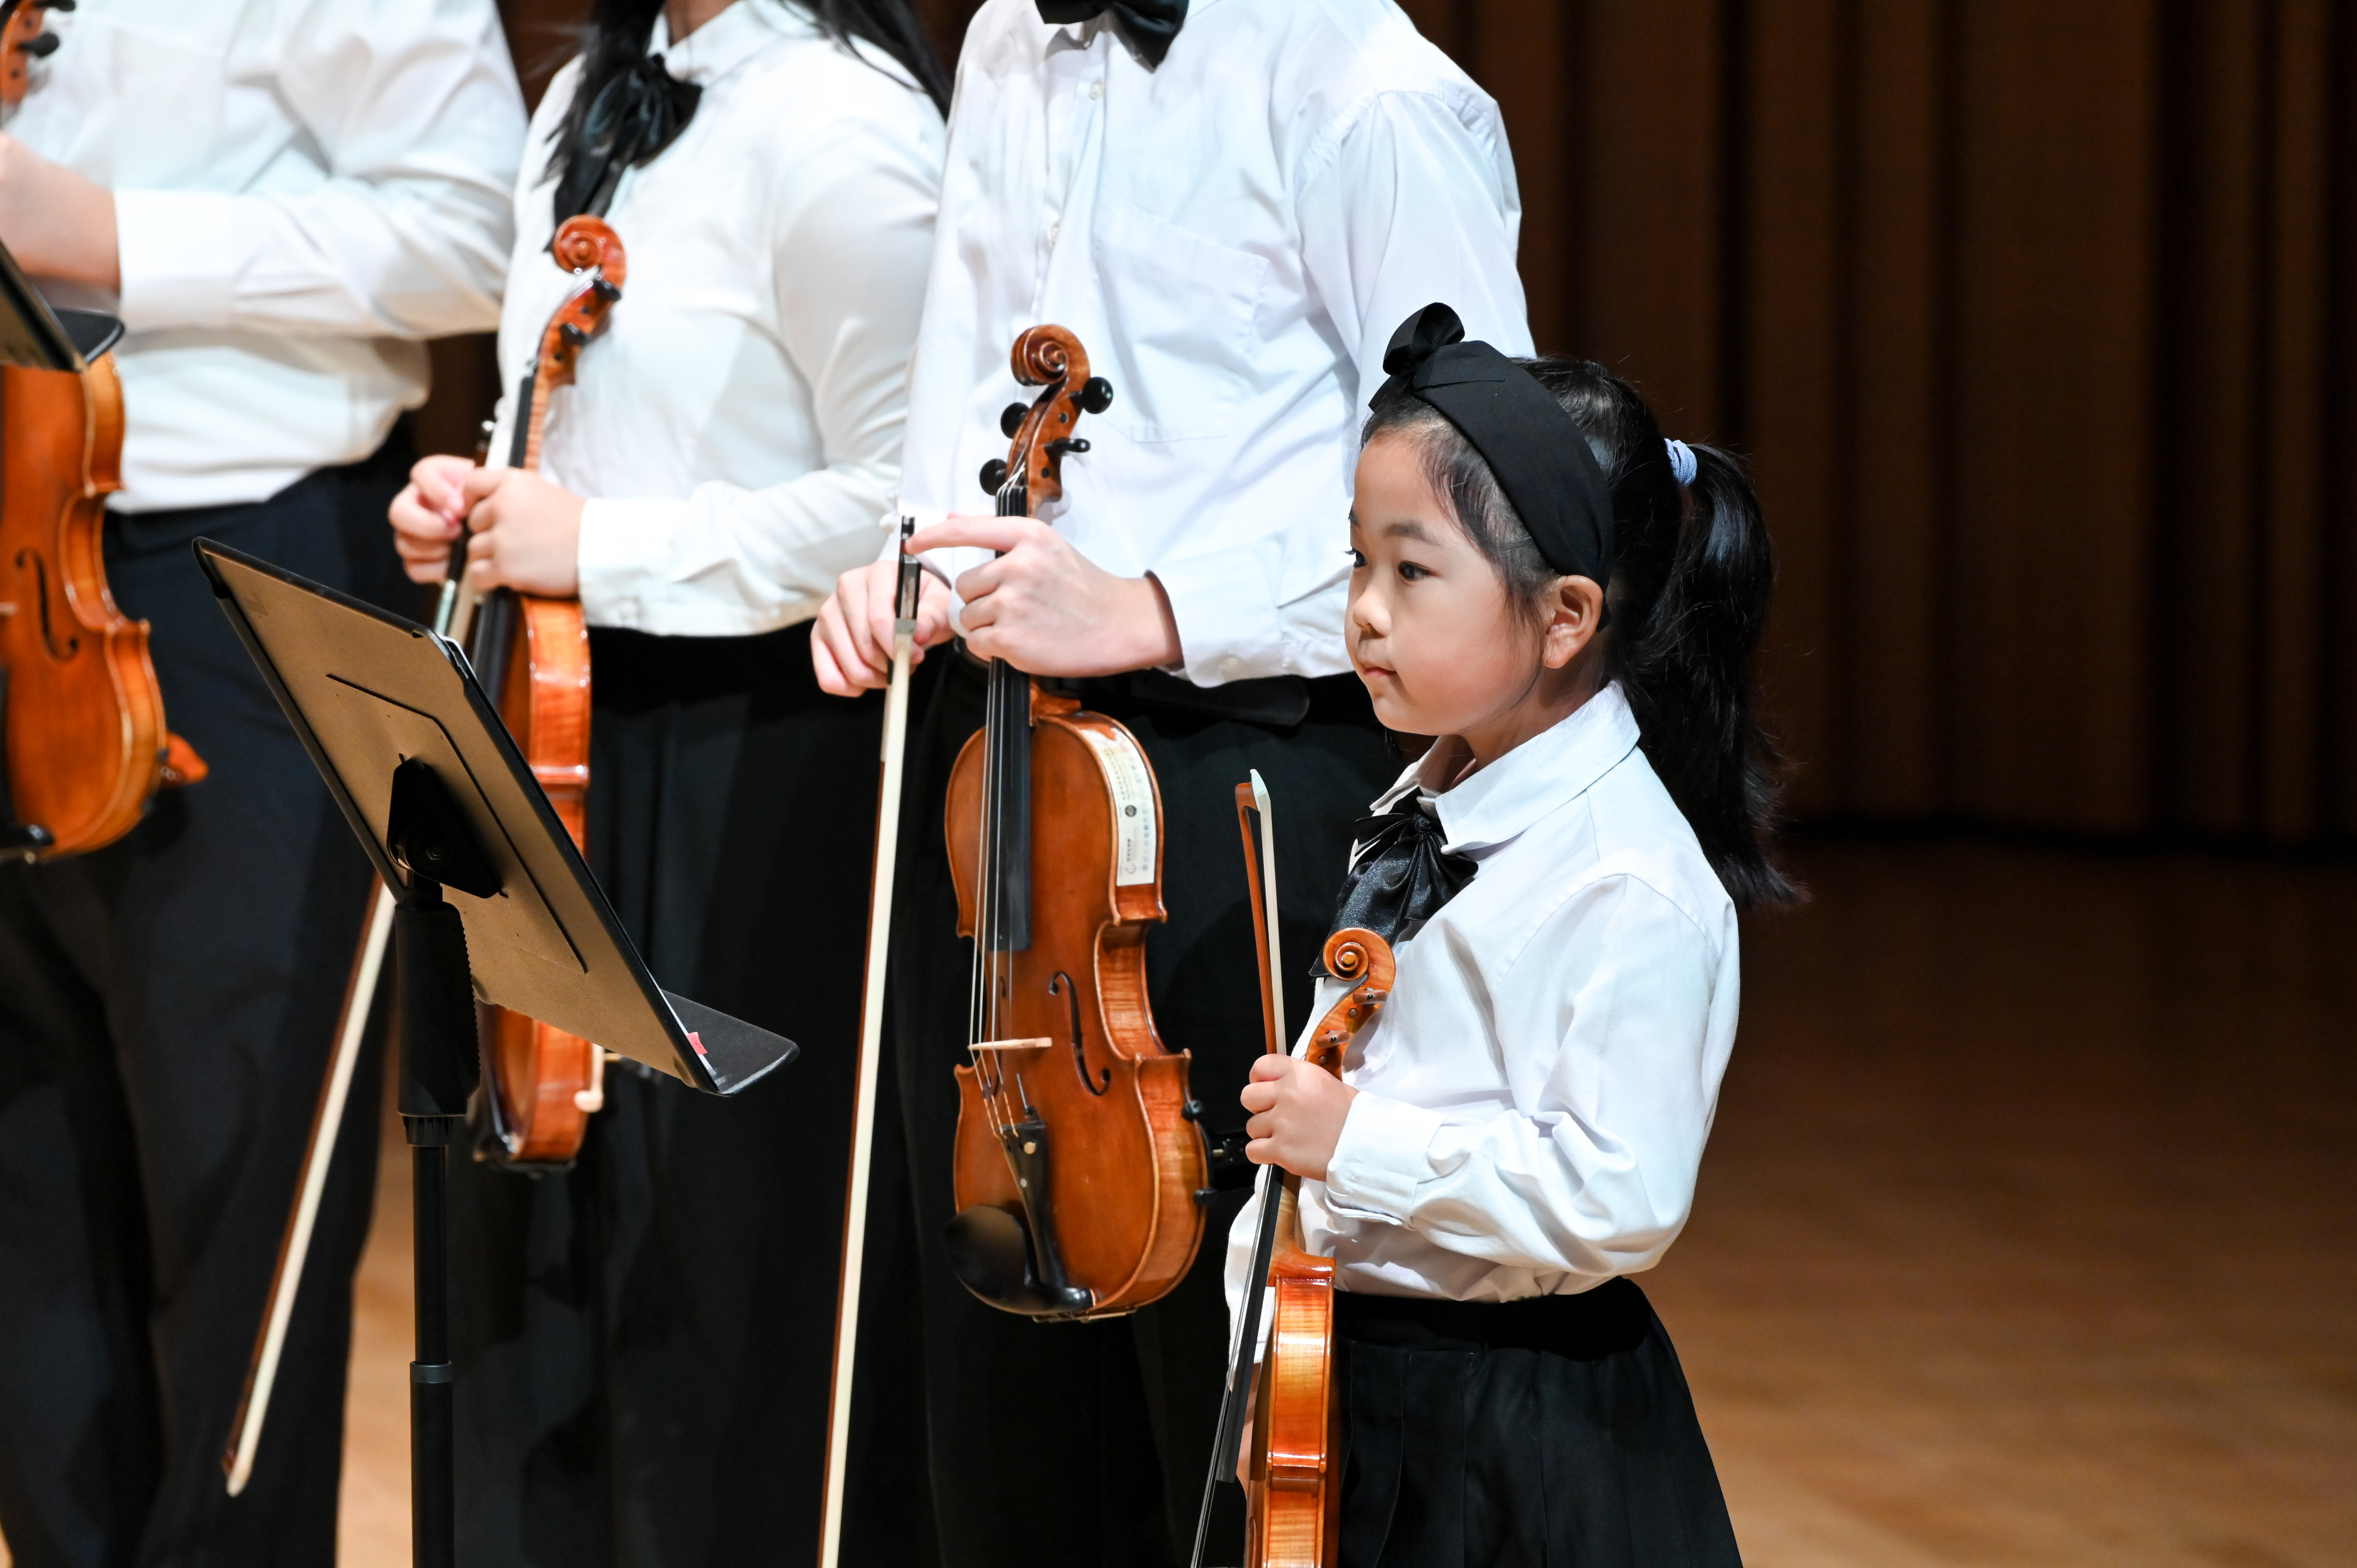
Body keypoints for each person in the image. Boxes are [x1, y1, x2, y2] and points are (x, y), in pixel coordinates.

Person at [811, 3, 1530, 1560]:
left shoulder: (1370, 89)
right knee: (1001, 1394)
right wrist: (914, 565)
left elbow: (1483, 494)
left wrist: (1157, 604)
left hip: (1259, 778)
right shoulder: (1008, 33)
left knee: (1223, 1406)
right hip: (1012, 764)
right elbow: (964, 380)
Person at [382, 0, 945, 1560]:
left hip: (764, 757)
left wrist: (601, 547)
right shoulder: (582, 94)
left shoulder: (849, 130)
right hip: (558, 721)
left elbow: (914, 504)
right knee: (542, 1255)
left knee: (718, 1281)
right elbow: (577, 423)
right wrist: (491, 497)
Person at [0, 3, 522, 1563]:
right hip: (17, 567)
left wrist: (107, 238)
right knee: (28, 1188)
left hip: (237, 568)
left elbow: (472, 235)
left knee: (246, 1200)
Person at [1230, 302, 1792, 1565]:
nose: (1364, 611)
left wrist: (1355, 1144)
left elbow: (1622, 1194)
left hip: (1516, 1446)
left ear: (1566, 617)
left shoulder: (1628, 883)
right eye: (1358, 564)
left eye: (1412, 571)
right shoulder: (1427, 807)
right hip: (1375, 1400)